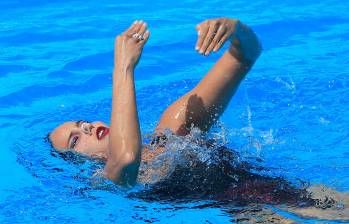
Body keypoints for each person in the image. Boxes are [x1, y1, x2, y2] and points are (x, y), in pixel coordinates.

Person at [48, 18, 349, 221]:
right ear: (81, 163)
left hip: (287, 191)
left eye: (82, 122)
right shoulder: (109, 180)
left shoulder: (171, 129)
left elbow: (246, 55)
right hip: (252, 215)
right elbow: (126, 158)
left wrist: (235, 29)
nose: (86, 126)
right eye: (76, 139)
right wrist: (123, 68)